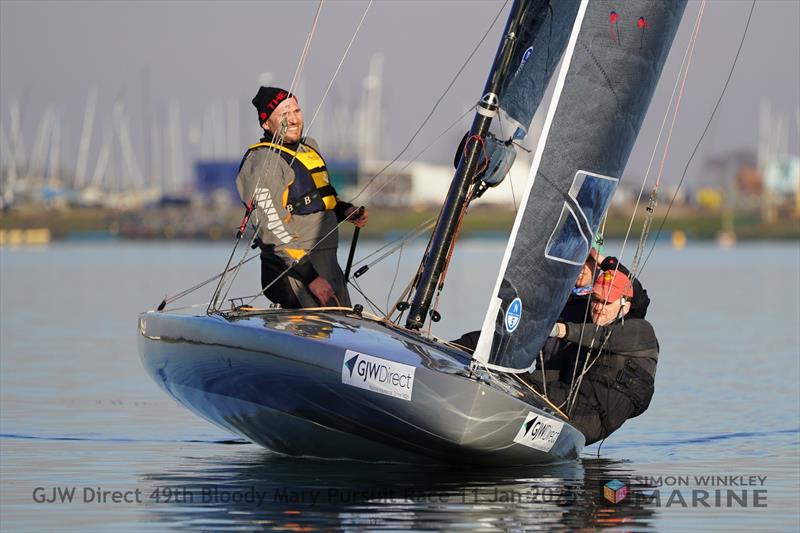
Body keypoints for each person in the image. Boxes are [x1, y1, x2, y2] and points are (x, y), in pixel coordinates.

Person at [235, 86, 368, 308]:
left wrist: (345, 211)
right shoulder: (264, 162)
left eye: (297, 111)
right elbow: (271, 229)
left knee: (343, 329)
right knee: (319, 336)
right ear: (266, 123)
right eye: (284, 115)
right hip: (293, 272)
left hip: (327, 266)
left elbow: (319, 198)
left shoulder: (309, 148)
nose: (294, 120)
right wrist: (311, 278)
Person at [532, 269, 659, 445]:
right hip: (568, 405)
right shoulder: (586, 338)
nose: (598, 307)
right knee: (519, 382)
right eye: (596, 300)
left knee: (528, 390)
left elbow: (602, 335)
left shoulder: (641, 332)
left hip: (591, 418)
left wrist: (558, 329)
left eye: (606, 302)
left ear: (625, 306)